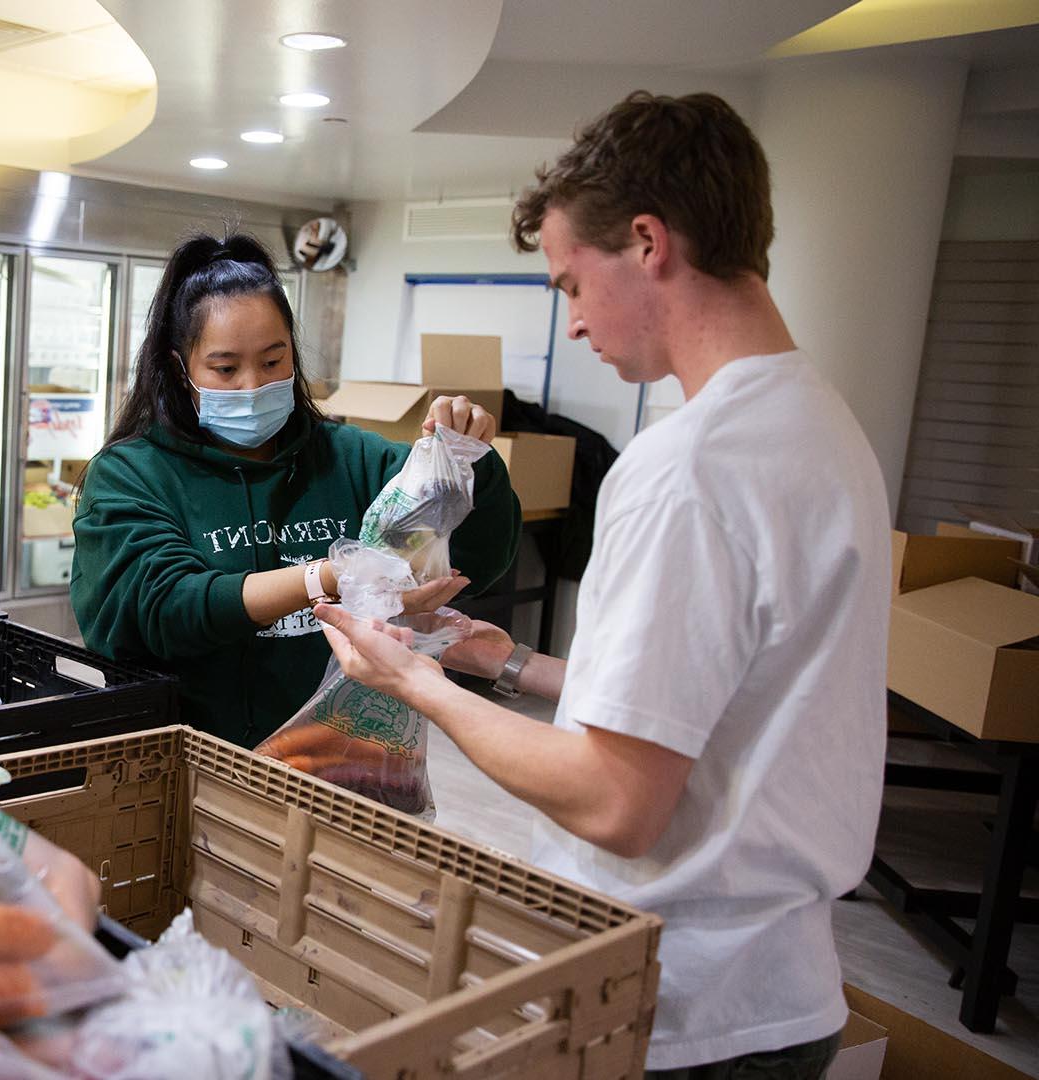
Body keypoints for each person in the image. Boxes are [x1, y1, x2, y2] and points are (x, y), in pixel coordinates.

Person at [314, 91, 889, 1078]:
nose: (572, 325)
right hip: (783, 994)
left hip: (683, 1011)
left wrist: (418, 686)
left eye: (572, 283)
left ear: (650, 242)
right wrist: (521, 665)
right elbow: (733, 700)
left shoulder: (686, 467)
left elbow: (618, 804)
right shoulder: (827, 427)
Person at [70, 233, 521, 749]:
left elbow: (472, 558)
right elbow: (164, 607)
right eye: (224, 368)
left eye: (272, 361)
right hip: (191, 762)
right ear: (181, 367)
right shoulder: (133, 474)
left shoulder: (351, 458)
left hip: (341, 760)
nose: (252, 386)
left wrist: (466, 462)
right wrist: (330, 576)